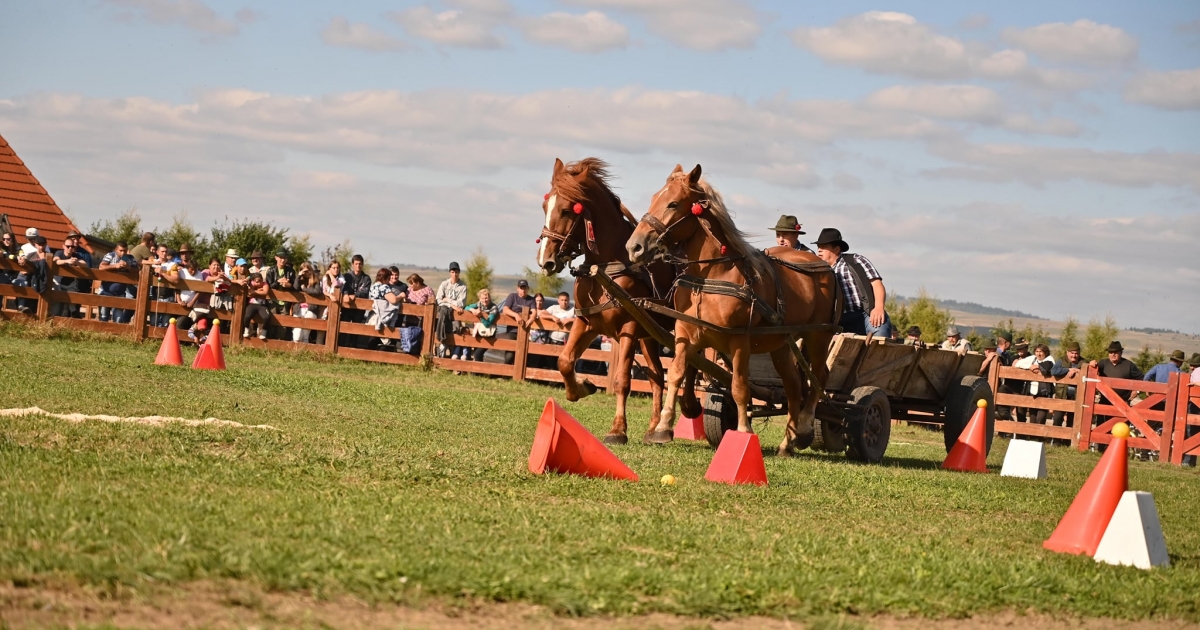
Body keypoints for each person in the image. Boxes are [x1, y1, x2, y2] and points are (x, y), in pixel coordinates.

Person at [812, 228, 891, 338]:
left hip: (865, 313)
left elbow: (877, 284)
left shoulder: (856, 260)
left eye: (824, 247)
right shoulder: (819, 271)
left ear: (836, 249)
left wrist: (878, 307)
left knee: (880, 334)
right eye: (818, 247)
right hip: (838, 320)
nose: (819, 250)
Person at [500, 279, 537, 365]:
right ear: (517, 288)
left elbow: (534, 311)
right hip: (512, 331)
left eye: (525, 288)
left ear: (528, 289)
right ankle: (505, 375)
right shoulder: (512, 296)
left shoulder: (531, 300)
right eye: (521, 288)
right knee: (509, 354)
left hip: (526, 331)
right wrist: (516, 315)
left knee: (525, 354)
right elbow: (505, 309)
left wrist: (532, 318)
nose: (523, 290)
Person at [1051, 341, 1088, 428]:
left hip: (1077, 397)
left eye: (1076, 353)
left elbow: (1089, 374)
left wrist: (1079, 372)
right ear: (1067, 352)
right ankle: (1056, 439)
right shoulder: (1061, 361)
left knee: (1073, 420)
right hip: (1061, 395)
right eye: (1072, 353)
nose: (1074, 355)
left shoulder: (1084, 362)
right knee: (1057, 418)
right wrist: (1069, 370)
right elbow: (1054, 371)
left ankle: (1068, 441)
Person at [434, 262, 467, 357]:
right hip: (445, 311)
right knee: (443, 315)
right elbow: (439, 300)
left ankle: (453, 356)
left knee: (455, 331)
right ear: (450, 272)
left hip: (455, 313)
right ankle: (441, 344)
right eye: (452, 272)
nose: (454, 274)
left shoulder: (462, 287)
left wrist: (447, 300)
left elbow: (461, 303)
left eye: (456, 272)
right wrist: (452, 305)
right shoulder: (444, 284)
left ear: (459, 272)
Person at [339, 254, 372, 348]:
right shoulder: (347, 276)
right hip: (347, 307)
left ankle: (353, 351)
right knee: (343, 328)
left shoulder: (366, 278)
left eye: (360, 264)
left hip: (359, 309)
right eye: (356, 264)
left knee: (355, 330)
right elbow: (344, 287)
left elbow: (365, 292)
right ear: (352, 264)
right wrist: (345, 294)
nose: (358, 266)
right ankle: (340, 349)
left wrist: (355, 295)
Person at [51, 236, 89, 318]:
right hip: (58, 284)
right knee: (56, 307)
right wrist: (66, 261)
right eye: (68, 246)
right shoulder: (59, 253)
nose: (70, 248)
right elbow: (55, 261)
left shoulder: (76, 255)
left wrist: (77, 262)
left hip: (70, 285)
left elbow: (85, 264)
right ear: (63, 246)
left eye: (72, 246)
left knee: (70, 307)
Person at [368, 268, 406, 347]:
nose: (389, 281)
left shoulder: (373, 286)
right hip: (383, 315)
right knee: (386, 339)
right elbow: (393, 300)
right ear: (385, 278)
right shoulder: (384, 287)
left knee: (373, 337)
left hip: (373, 315)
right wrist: (401, 295)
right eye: (388, 278)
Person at [462, 288, 501, 362]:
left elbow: (488, 324)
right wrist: (473, 310)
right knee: (477, 353)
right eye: (482, 298)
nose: (484, 300)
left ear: (489, 297)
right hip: (479, 332)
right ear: (480, 298)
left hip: (488, 334)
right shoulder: (479, 304)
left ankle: (476, 372)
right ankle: (477, 372)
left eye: (486, 298)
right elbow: (466, 307)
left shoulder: (494, 308)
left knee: (477, 353)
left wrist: (480, 316)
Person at [243, 272, 271, 340]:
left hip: (262, 305)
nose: (259, 283)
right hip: (252, 304)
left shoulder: (265, 284)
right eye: (257, 281)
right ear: (253, 281)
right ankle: (246, 329)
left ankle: (264, 331)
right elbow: (250, 292)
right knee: (247, 316)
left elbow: (265, 292)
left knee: (266, 317)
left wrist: (255, 291)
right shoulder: (251, 284)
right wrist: (258, 290)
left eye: (260, 280)